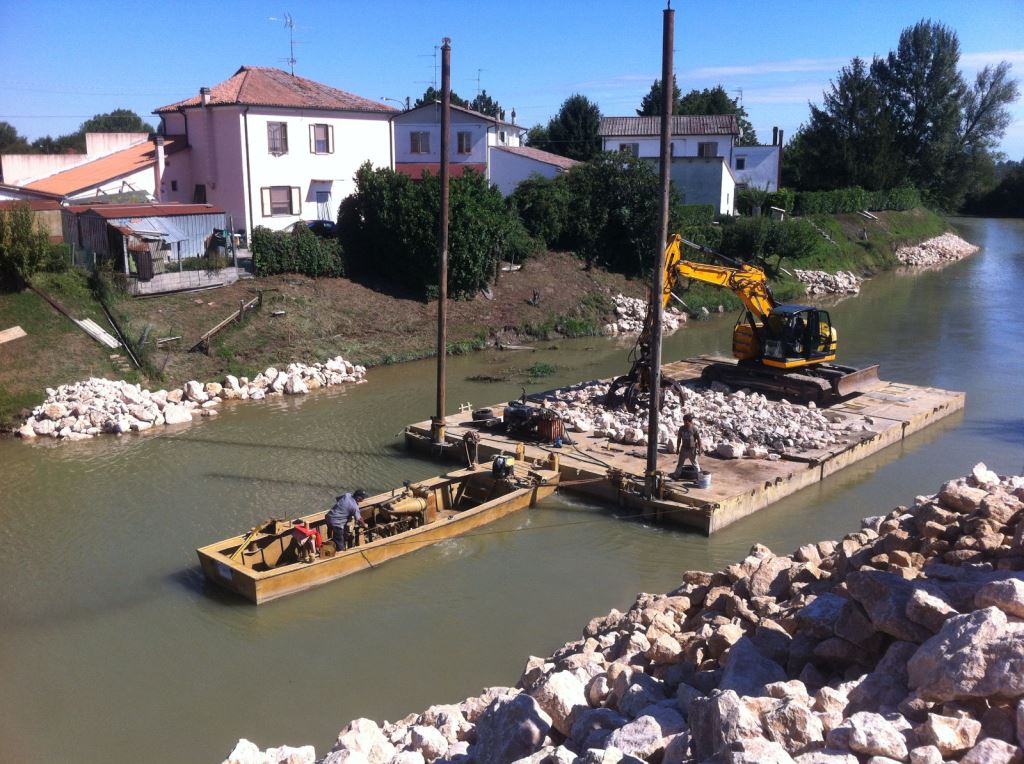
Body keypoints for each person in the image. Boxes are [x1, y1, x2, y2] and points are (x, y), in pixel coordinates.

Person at [672, 413, 703, 479]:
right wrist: (677, 449)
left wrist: (699, 450)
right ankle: (676, 476)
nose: (685, 423)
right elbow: (679, 439)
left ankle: (700, 478)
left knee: (695, 465)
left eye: (687, 421)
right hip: (684, 449)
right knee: (680, 464)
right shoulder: (681, 429)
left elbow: (699, 440)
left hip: (692, 449)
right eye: (684, 421)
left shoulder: (694, 429)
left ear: (690, 421)